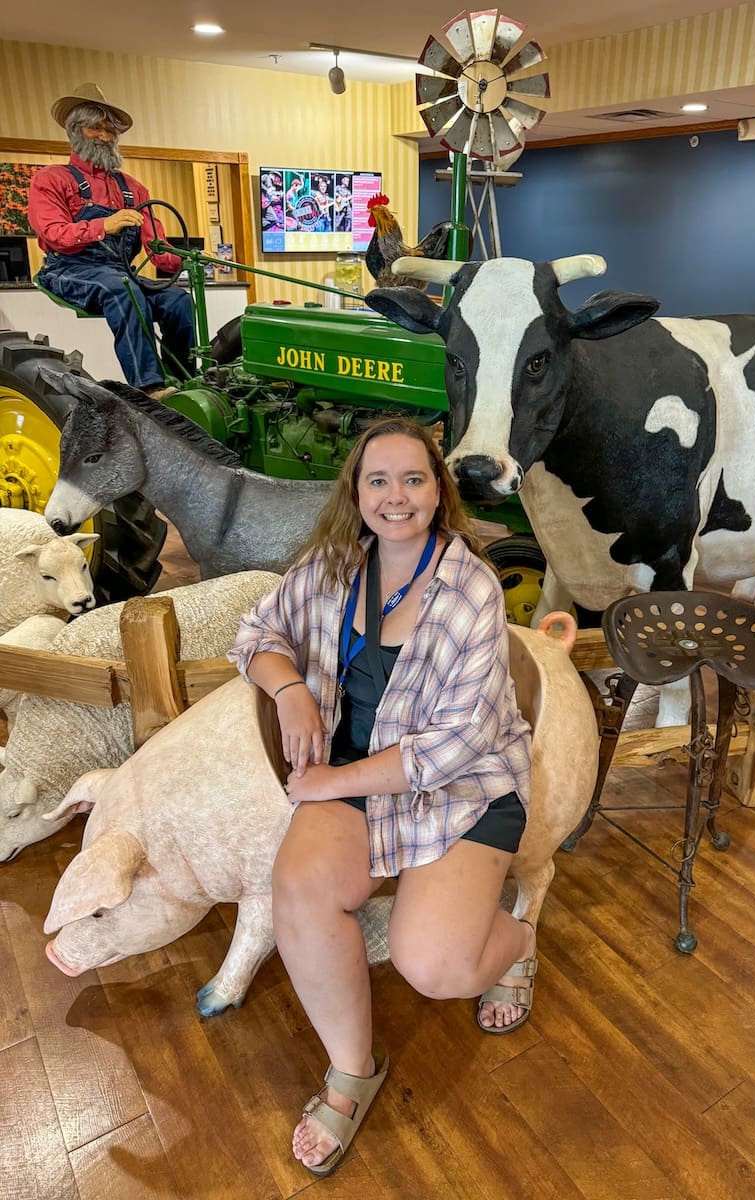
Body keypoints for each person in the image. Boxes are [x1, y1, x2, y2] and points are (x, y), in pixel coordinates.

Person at [228, 418, 534, 1178]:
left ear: (439, 490)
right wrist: (291, 687)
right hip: (359, 775)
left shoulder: (472, 590)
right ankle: (352, 1068)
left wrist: (330, 780)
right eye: (378, 480)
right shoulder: (336, 565)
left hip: (462, 789)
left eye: (413, 479)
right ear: (356, 492)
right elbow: (259, 630)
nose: (396, 497)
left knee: (433, 966)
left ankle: (520, 942)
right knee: (296, 887)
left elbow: (453, 747)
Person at [27, 83, 194, 400]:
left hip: (119, 270)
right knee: (122, 288)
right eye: (96, 128)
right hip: (67, 269)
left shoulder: (133, 189)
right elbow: (54, 233)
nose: (105, 136)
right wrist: (105, 224)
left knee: (177, 300)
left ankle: (184, 381)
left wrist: (187, 258)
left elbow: (157, 248)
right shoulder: (51, 179)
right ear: (76, 131)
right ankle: (149, 387)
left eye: (110, 130)